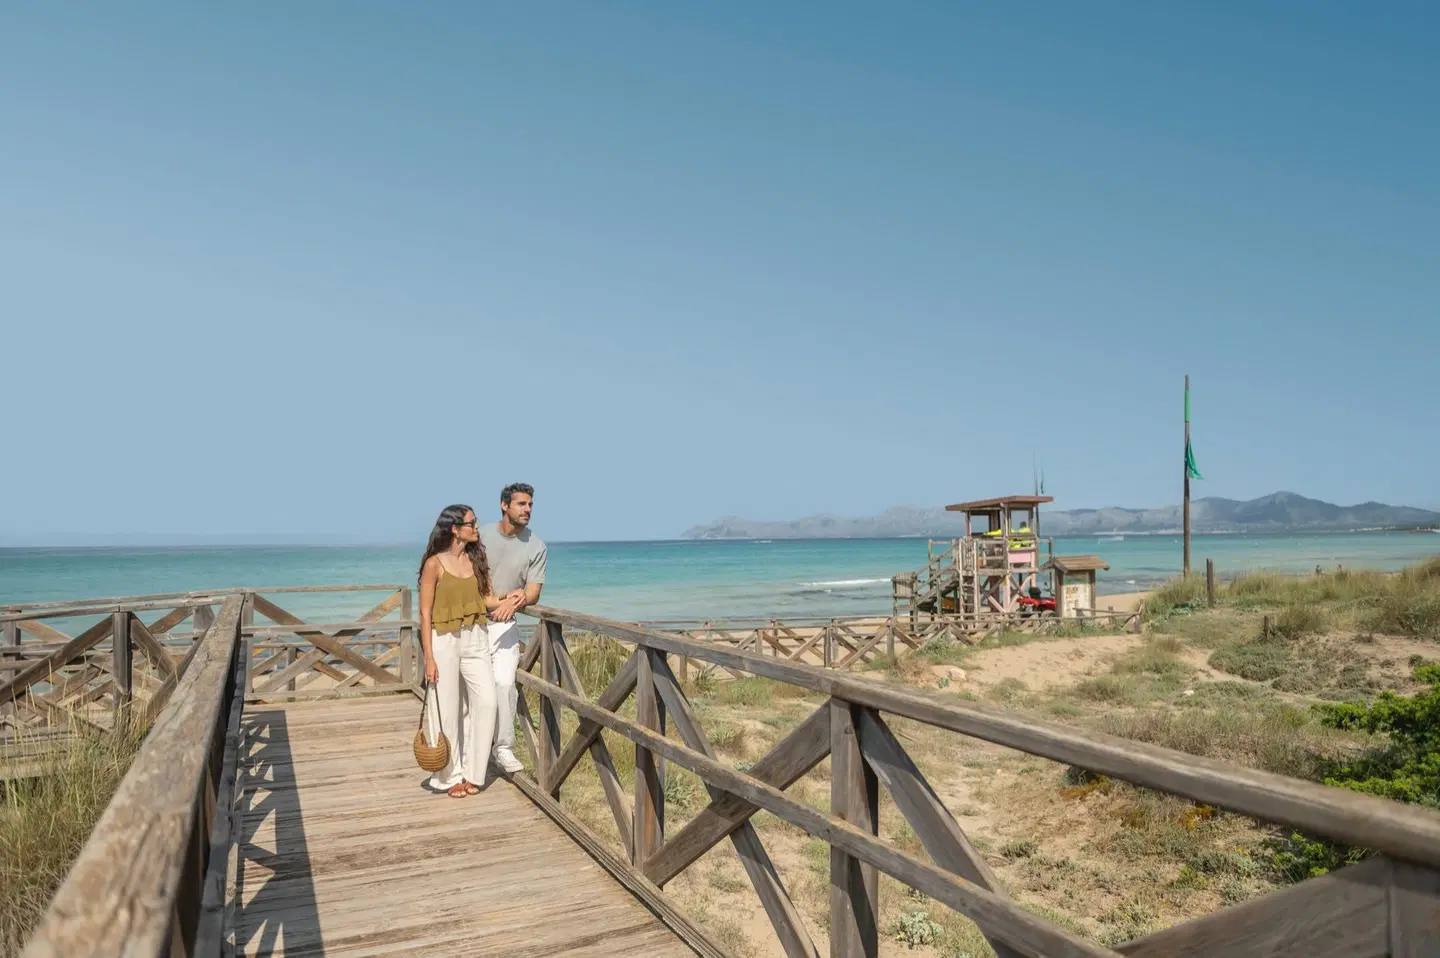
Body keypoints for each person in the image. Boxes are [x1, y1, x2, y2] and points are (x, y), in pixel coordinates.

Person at [417, 504, 507, 798]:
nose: (477, 527)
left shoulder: (477, 559)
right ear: (455, 529)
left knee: (487, 702)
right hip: (443, 640)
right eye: (472, 523)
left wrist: (512, 598)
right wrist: (429, 657)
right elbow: (425, 613)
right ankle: (449, 776)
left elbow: (488, 600)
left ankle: (474, 773)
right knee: (445, 708)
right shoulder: (434, 564)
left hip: (476, 636)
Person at [477, 482, 547, 775]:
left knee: (505, 685)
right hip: (472, 624)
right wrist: (503, 599)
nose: (527, 509)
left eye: (530, 504)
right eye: (521, 504)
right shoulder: (480, 536)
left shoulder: (536, 546)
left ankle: (503, 748)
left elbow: (533, 592)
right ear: (504, 505)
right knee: (474, 689)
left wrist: (518, 599)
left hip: (505, 626)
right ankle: (473, 748)